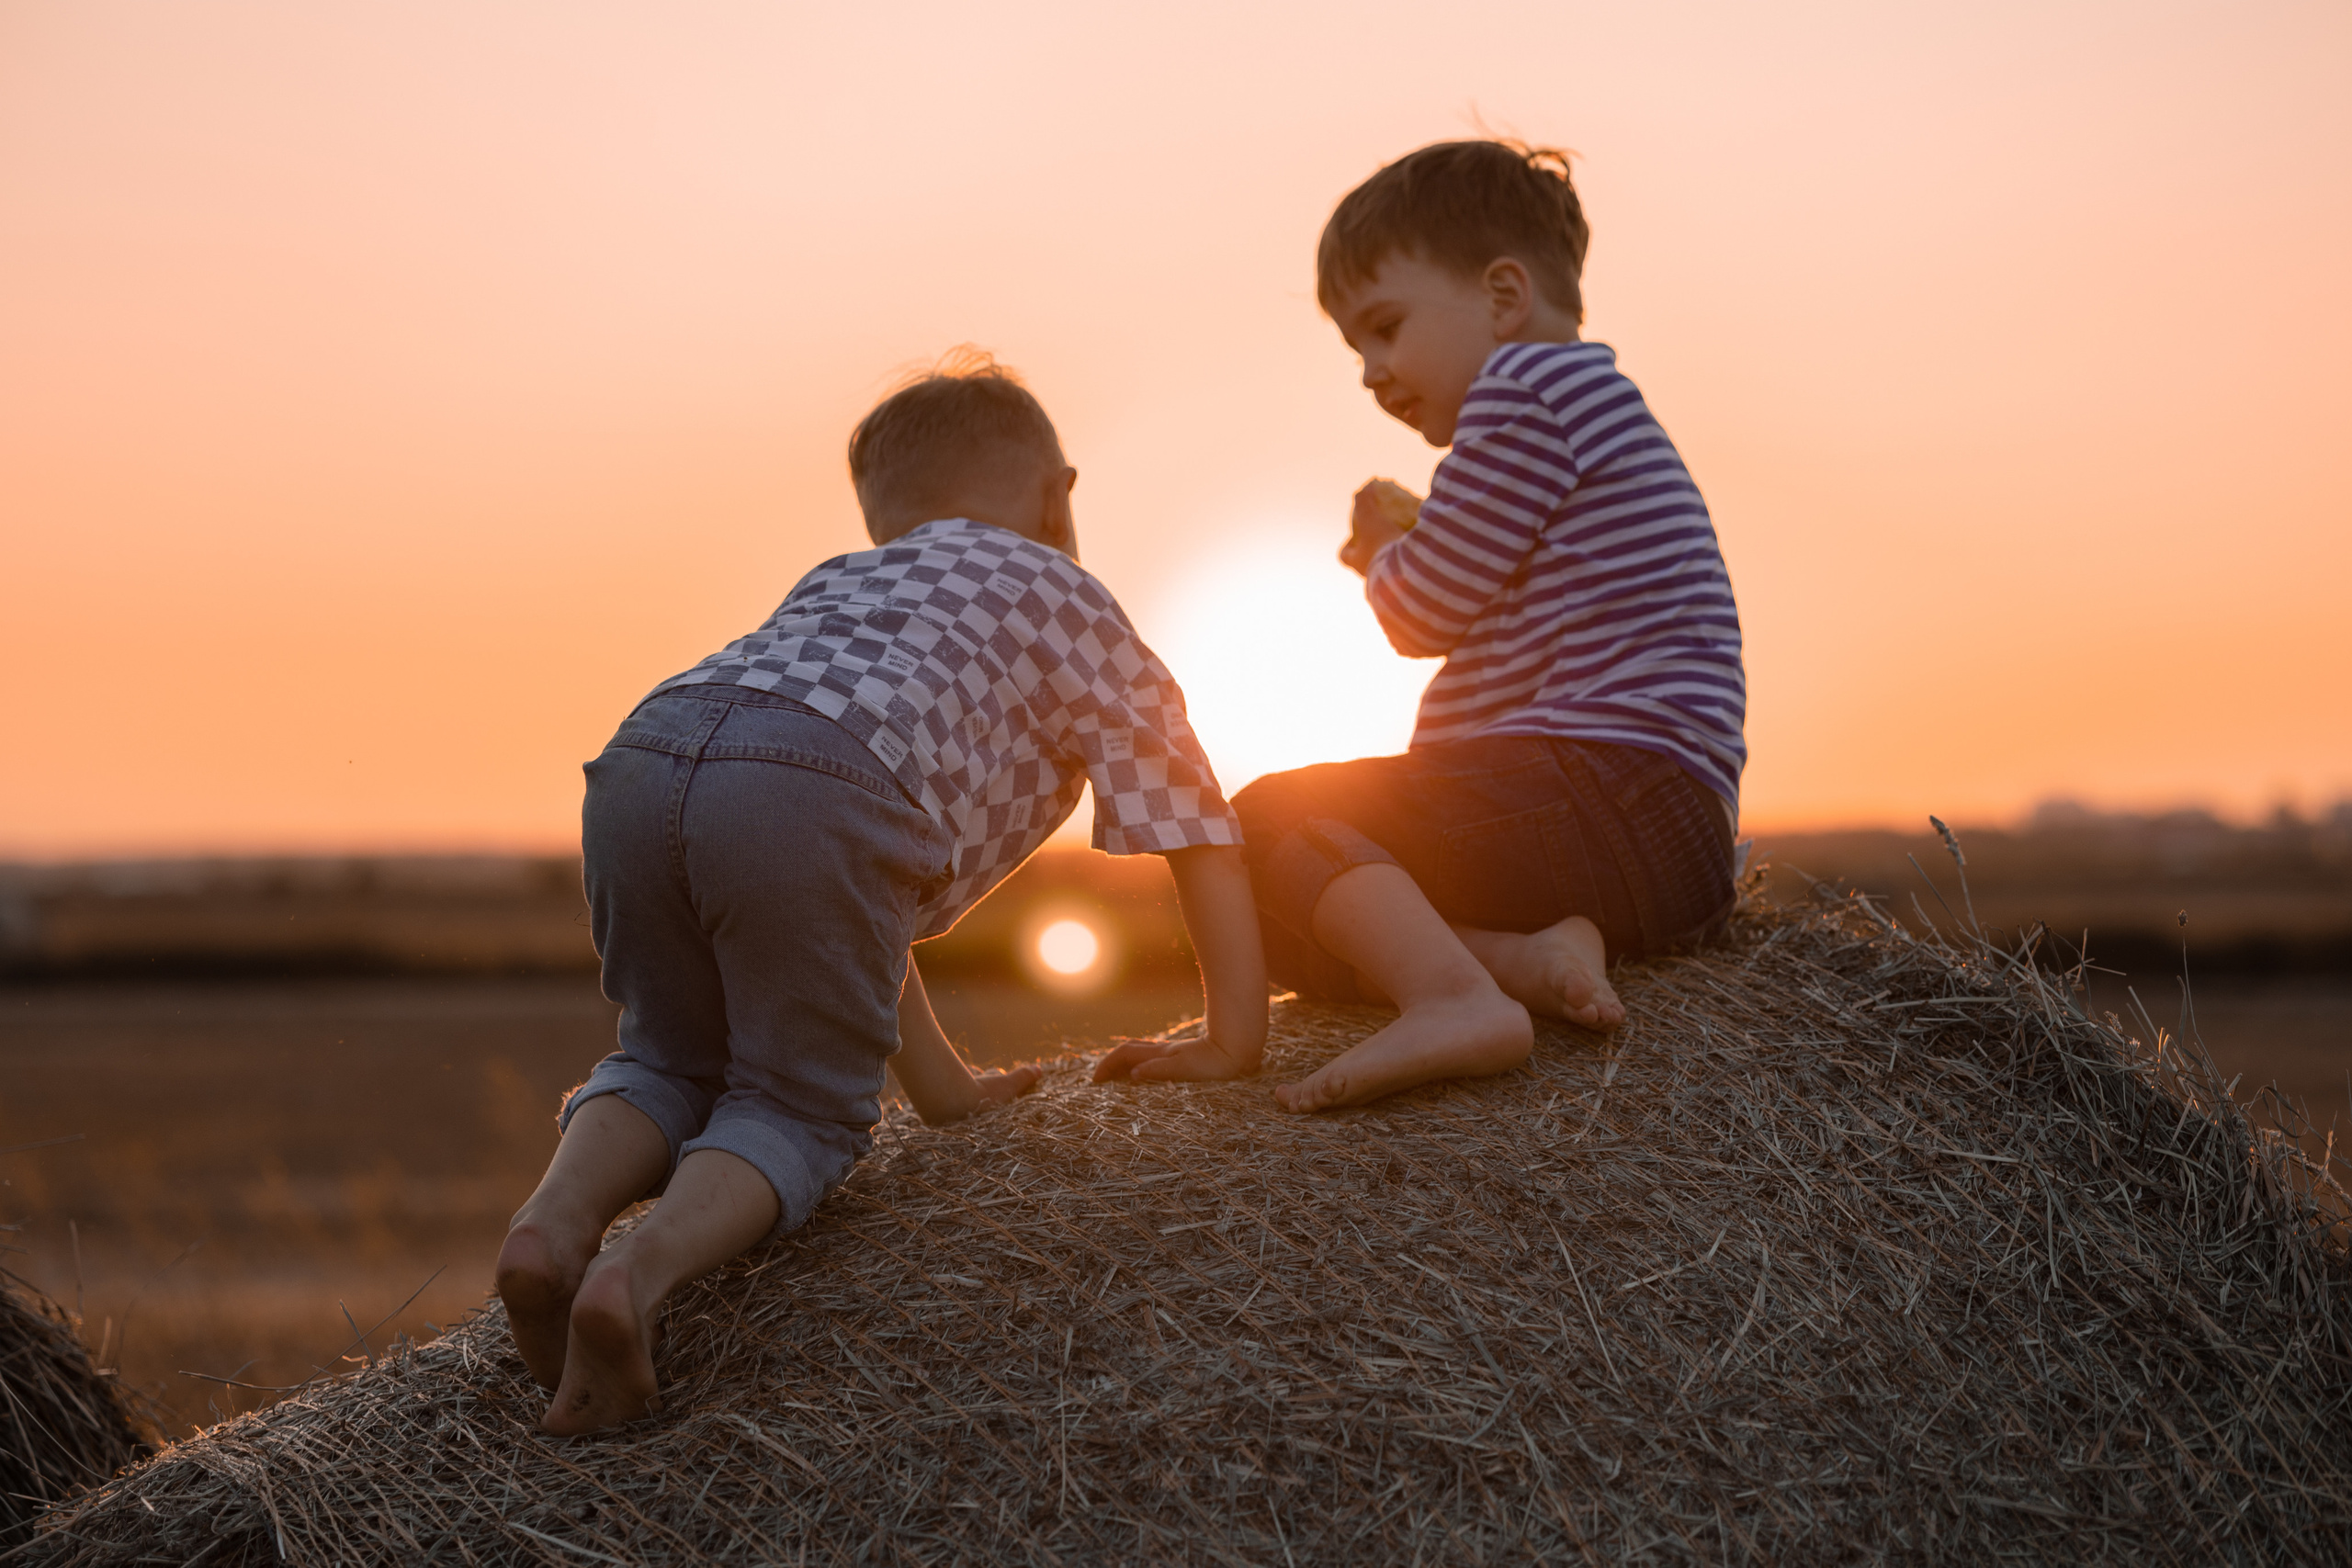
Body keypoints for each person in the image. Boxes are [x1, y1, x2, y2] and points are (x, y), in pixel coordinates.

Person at [497, 353, 1267, 1435]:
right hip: (816, 789)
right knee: (794, 1105)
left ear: (881, 520)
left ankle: (548, 1228)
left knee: (668, 1053)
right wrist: (1236, 1035)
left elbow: (853, 916)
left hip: (649, 751)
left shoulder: (840, 584)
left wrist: (945, 1091)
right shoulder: (1073, 598)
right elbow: (1196, 824)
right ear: (1060, 498)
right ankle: (636, 1278)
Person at [1104, 141, 1746, 1113]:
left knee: (1257, 824)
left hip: (1608, 787)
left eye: (1385, 327)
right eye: (1355, 347)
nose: (1370, 371)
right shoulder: (1589, 408)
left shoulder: (1524, 390)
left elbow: (1424, 610)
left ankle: (1454, 1001)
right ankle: (1530, 958)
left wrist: (1376, 552)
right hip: (1664, 853)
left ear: (1502, 295)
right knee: (1290, 919)